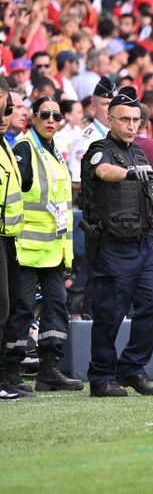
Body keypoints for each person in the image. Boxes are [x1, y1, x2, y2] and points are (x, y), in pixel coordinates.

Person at [80, 87, 153, 397]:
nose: (131, 125)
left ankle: (132, 368)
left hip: (143, 244)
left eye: (136, 120)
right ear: (110, 119)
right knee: (110, 314)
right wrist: (127, 174)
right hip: (112, 246)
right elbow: (104, 171)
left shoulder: (139, 153)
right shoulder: (100, 148)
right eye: (124, 119)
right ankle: (101, 377)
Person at [2, 97, 83, 394]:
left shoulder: (54, 152)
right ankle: (10, 373)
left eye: (57, 116)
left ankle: (49, 370)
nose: (51, 120)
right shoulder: (24, 148)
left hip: (53, 249)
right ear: (32, 117)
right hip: (25, 247)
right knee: (21, 310)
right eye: (45, 115)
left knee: (57, 306)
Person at [0, 79, 23, 400]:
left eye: (7, 109)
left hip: (9, 237)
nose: (5, 115)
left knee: (8, 307)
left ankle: (6, 377)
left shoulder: (6, 144)